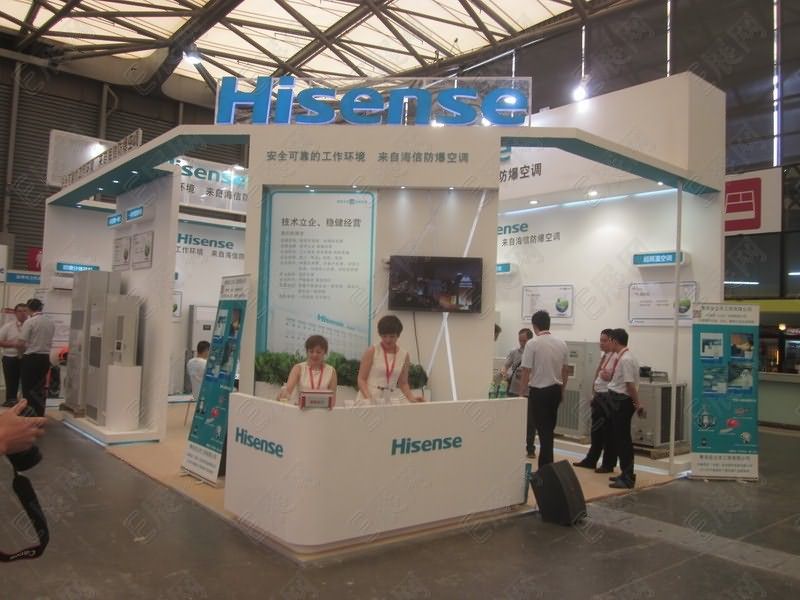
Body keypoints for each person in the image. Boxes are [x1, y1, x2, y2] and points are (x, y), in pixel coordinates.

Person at [518, 310, 568, 467]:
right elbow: (565, 371)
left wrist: (521, 394)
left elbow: (526, 371)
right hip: (555, 390)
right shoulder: (562, 343)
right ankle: (547, 465)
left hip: (539, 392)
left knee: (542, 430)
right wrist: (562, 391)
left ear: (534, 326)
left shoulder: (532, 344)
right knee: (548, 430)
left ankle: (546, 467)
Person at [573, 329, 617, 473]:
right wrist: (593, 393)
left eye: (604, 340)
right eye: (600, 340)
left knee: (608, 433)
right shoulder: (605, 356)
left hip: (607, 397)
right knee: (596, 431)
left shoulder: (616, 357)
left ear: (612, 341)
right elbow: (598, 375)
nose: (601, 343)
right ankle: (591, 460)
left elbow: (613, 377)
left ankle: (608, 464)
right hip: (599, 396)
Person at [356, 315, 424, 405]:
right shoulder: (372, 351)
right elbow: (361, 379)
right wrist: (370, 400)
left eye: (392, 336)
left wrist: (412, 399)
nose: (388, 340)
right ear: (380, 335)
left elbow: (403, 383)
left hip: (390, 399)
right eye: (384, 336)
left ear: (398, 335)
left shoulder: (404, 355)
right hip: (368, 398)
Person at [605, 328, 642, 489]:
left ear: (615, 341)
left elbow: (629, 384)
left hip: (621, 401)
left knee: (623, 440)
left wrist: (637, 403)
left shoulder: (626, 359)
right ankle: (625, 473)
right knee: (620, 439)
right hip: (618, 400)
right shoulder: (625, 357)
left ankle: (628, 477)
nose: (608, 344)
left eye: (609, 341)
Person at [17, 299, 55, 417]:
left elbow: (21, 343)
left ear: (29, 309)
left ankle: (29, 415)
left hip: (31, 358)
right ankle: (39, 414)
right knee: (40, 388)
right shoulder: (50, 322)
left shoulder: (30, 322)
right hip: (45, 358)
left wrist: (20, 355)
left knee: (28, 388)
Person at [280, 335, 337, 405]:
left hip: (322, 410)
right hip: (300, 409)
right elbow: (287, 392)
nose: (314, 355)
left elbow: (332, 399)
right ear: (307, 352)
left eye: (318, 352)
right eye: (311, 351)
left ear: (324, 352)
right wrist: (283, 394)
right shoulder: (298, 368)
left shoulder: (331, 371)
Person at [0, 304, 29, 407]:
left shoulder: (32, 325)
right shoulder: (8, 326)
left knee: (27, 382)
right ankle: (10, 403)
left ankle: (26, 405)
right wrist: (13, 344)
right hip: (10, 358)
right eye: (20, 311)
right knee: (11, 382)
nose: (22, 313)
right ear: (15, 313)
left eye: (25, 311)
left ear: (28, 312)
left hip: (27, 358)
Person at [501, 328, 534, 399]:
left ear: (531, 340)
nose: (521, 343)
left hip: (528, 390)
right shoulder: (514, 352)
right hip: (513, 389)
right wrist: (504, 373)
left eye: (524, 341)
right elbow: (505, 366)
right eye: (520, 340)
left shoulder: (535, 353)